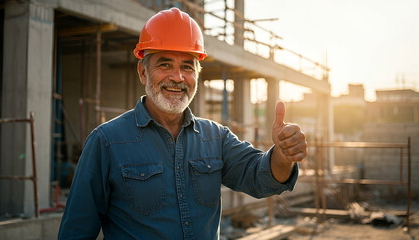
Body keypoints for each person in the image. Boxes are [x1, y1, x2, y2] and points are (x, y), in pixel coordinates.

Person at [58, 7, 307, 240]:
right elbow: (76, 232)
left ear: (196, 76)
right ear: (143, 72)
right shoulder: (106, 142)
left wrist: (283, 157)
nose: (177, 77)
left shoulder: (215, 138)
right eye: (165, 64)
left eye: (187, 66)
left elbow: (259, 176)